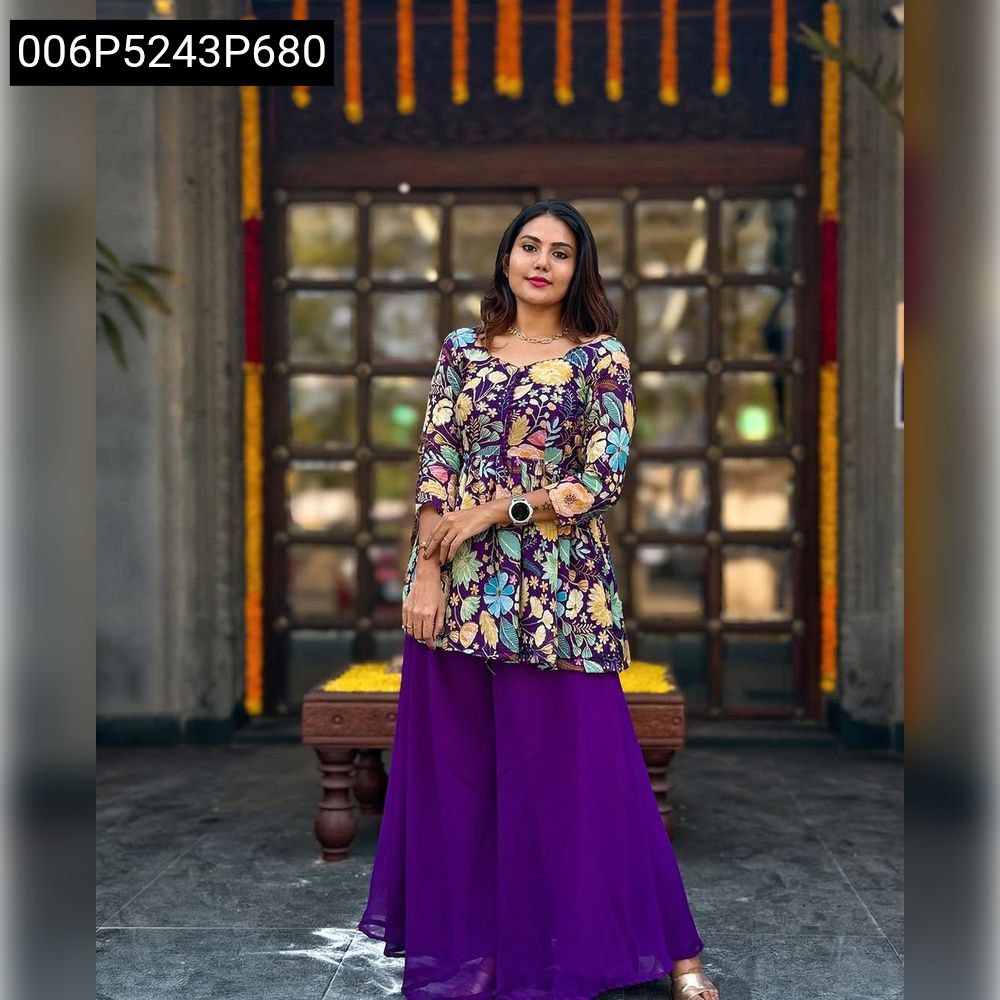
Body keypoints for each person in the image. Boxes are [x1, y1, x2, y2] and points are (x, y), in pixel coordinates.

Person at [357, 199, 720, 1000]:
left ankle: (677, 948)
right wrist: (424, 570)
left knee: (592, 772)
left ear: (578, 269)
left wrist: (497, 509)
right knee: (464, 777)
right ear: (507, 257)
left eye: (560, 251)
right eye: (530, 246)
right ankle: (487, 953)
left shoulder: (602, 359)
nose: (542, 262)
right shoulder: (463, 349)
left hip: (562, 594)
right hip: (461, 591)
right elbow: (436, 463)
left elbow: (600, 480)